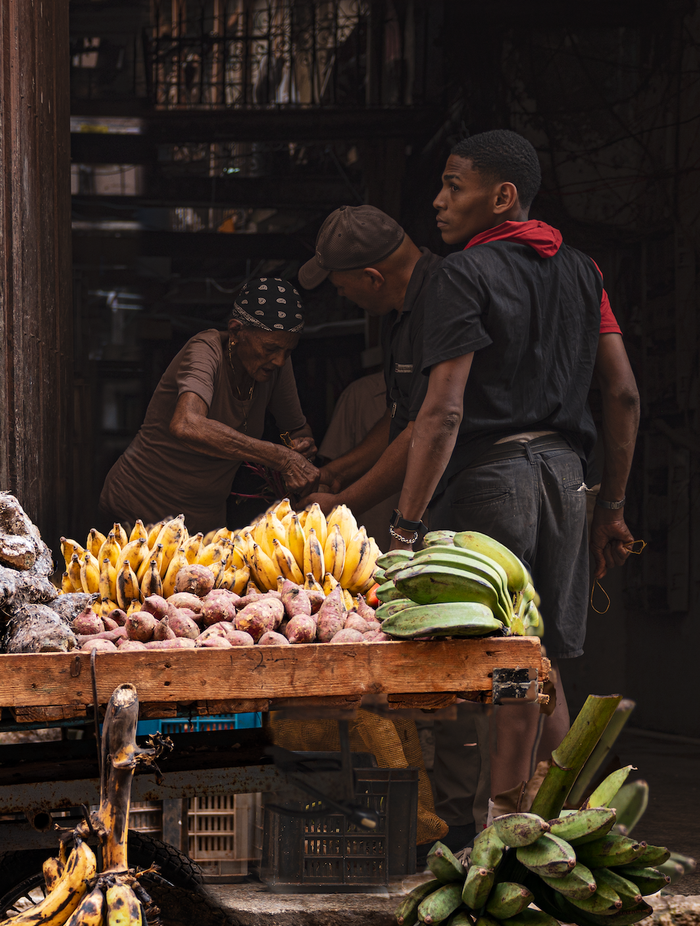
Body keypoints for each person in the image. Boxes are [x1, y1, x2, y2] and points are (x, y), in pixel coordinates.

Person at [306, 133, 641, 825]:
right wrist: (611, 504)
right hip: (568, 480)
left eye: (454, 186)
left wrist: (402, 527)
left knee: (509, 663)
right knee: (535, 658)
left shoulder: (464, 274)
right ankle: (571, 818)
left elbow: (444, 409)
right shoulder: (586, 272)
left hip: (495, 479)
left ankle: (506, 822)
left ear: (502, 196)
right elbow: (625, 395)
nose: (439, 200)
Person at [96, 275, 318, 533]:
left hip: (205, 523)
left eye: (288, 351)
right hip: (139, 510)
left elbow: (295, 430)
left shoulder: (275, 365)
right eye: (270, 348)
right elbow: (187, 424)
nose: (279, 360)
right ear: (236, 331)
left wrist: (299, 448)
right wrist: (280, 456)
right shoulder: (206, 350)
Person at [296, 205, 442, 546]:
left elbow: (427, 426)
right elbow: (401, 417)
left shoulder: (446, 299)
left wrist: (343, 504)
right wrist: (336, 472)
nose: (341, 295)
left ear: (373, 278)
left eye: (341, 287)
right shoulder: (396, 315)